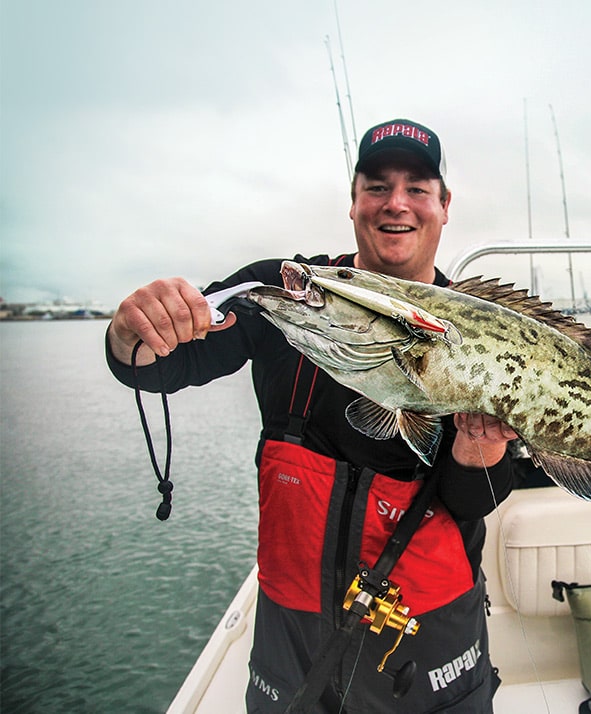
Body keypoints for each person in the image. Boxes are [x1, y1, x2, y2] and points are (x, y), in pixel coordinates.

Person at [106, 119, 517, 713]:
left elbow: (475, 500)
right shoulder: (287, 292)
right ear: (352, 202)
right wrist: (132, 331)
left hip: (427, 632)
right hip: (293, 632)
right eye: (376, 186)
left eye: (417, 188)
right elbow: (156, 364)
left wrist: (479, 449)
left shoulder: (482, 333)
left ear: (444, 206)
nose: (395, 203)